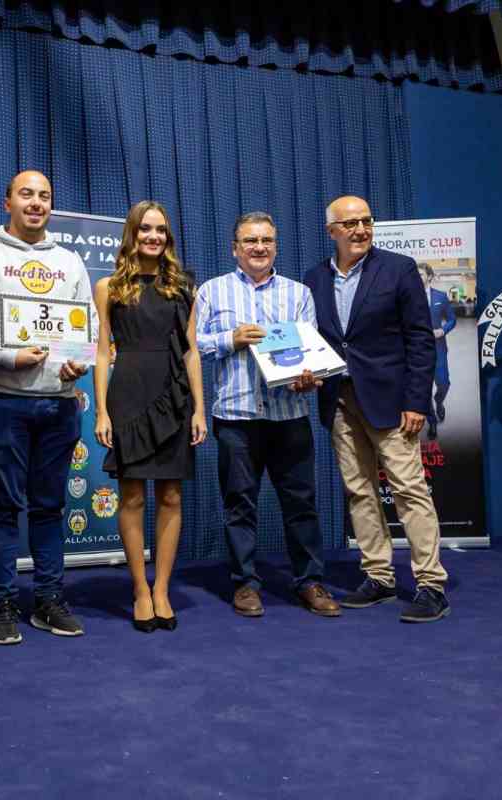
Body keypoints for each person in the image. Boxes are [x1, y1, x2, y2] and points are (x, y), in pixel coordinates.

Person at [0, 170, 92, 645]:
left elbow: (87, 326)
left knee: (50, 507)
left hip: (59, 402)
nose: (36, 203)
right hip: (2, 398)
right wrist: (8, 356)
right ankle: (2, 602)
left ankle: (49, 599)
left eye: (44, 196)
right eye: (27, 194)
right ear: (7, 202)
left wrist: (78, 363)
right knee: (3, 505)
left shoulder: (70, 261)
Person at [304, 196, 450, 623]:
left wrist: (416, 401)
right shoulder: (314, 278)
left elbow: (421, 339)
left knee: (409, 490)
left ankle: (431, 585)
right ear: (331, 231)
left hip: (392, 402)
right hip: (339, 400)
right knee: (359, 490)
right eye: (350, 223)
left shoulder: (398, 269)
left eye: (366, 221)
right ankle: (379, 577)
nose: (360, 229)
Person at [194, 212, 339, 619]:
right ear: (235, 248)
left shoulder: (298, 294)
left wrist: (308, 377)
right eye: (250, 240)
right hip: (236, 416)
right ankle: (245, 583)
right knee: (239, 504)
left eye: (267, 240)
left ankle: (309, 581)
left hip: (290, 415)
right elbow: (192, 345)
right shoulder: (211, 291)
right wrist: (230, 338)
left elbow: (311, 350)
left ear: (276, 245)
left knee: (301, 504)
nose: (259, 247)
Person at [93, 201, 206, 632]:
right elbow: (102, 353)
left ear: (168, 237)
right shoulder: (108, 286)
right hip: (128, 394)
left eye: (160, 230)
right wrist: (102, 411)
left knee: (172, 496)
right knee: (133, 498)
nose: (153, 236)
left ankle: (162, 589)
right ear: (132, 234)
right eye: (145, 229)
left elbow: (191, 352)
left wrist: (198, 408)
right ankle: (141, 590)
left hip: (174, 395)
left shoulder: (184, 285)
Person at [420, 262, 456, 439]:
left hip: (438, 347)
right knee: (424, 388)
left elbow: (452, 320)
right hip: (417, 350)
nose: (417, 277)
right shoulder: (408, 296)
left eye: (420, 274)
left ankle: (439, 401)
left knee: (444, 383)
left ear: (429, 276)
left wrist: (443, 330)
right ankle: (432, 422)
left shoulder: (441, 296)